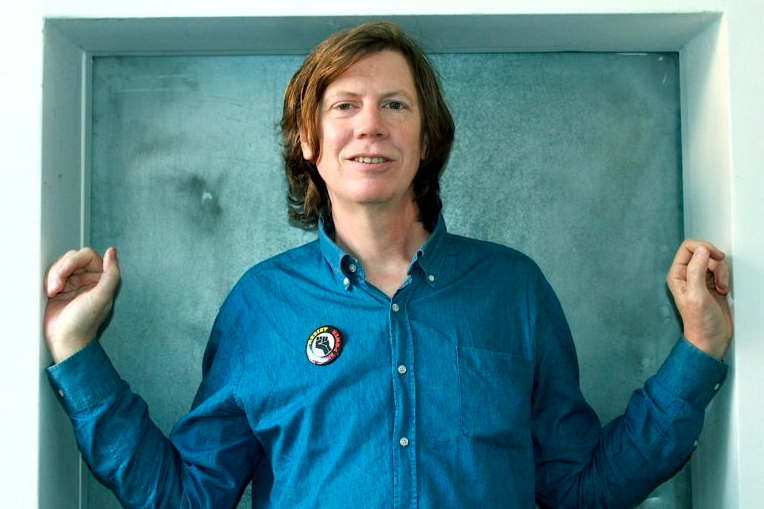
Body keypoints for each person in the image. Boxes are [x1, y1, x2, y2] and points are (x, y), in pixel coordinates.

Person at [44, 21, 733, 508]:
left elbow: (580, 487)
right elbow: (191, 496)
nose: (369, 124)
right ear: (309, 139)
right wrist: (76, 350)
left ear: (426, 139)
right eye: (344, 105)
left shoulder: (513, 289)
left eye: (395, 105)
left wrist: (700, 348)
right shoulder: (260, 306)